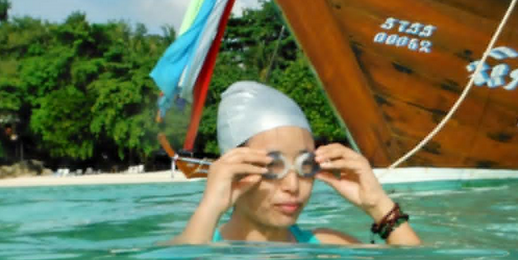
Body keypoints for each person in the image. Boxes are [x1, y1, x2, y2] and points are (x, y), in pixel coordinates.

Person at [173, 81, 421, 245]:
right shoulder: (199, 244)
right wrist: (210, 207)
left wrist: (378, 205)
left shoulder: (328, 247)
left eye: (306, 166)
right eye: (273, 166)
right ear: (233, 170)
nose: (293, 186)